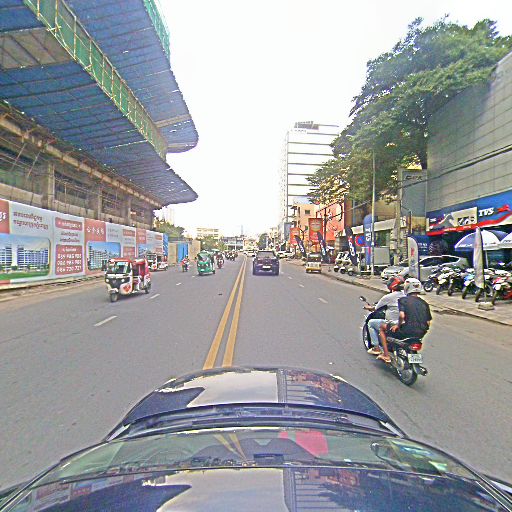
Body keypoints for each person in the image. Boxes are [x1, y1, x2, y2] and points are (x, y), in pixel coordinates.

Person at [377, 278, 432, 363]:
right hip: (421, 333)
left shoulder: (403, 300)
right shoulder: (424, 303)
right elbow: (428, 322)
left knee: (382, 328)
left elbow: (402, 315)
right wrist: (422, 330)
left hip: (407, 331)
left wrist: (397, 326)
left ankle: (386, 355)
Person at [364, 276, 405, 355]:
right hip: (405, 324)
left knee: (371, 323)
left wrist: (368, 307)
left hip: (392, 324)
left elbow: (376, 308)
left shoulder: (388, 297)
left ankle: (376, 348)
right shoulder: (405, 295)